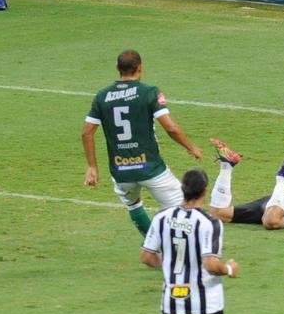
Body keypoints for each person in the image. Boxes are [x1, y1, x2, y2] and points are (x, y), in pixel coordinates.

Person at [83, 49, 203, 235]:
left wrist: (92, 166)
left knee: (133, 204)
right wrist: (191, 147)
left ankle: (152, 244)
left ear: (117, 68)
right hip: (151, 168)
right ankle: (179, 245)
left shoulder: (102, 96)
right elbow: (171, 128)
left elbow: (87, 133)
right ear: (140, 68)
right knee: (185, 208)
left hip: (121, 171)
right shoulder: (149, 92)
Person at [141, 168, 239, 314]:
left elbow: (147, 256)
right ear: (204, 191)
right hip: (207, 301)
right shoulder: (209, 223)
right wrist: (229, 269)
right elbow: (211, 264)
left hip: (173, 300)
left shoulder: (161, 218)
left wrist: (168, 264)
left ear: (182, 189)